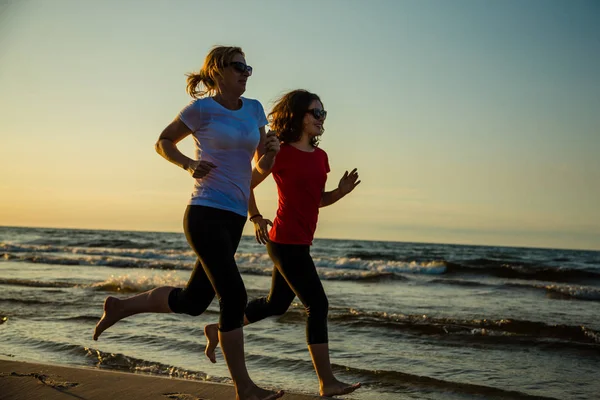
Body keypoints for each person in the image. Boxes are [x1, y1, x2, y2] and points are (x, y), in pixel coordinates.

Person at [92, 45, 284, 400]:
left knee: (195, 301)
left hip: (234, 217)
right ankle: (245, 388)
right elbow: (162, 141)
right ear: (217, 71)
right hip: (204, 212)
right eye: (239, 66)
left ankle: (121, 307)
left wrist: (270, 154)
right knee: (235, 294)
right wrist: (187, 164)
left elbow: (260, 169)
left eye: (248, 67)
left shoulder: (255, 109)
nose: (246, 72)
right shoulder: (201, 109)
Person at [203, 89, 362, 397]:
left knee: (276, 304)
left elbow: (316, 200)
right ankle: (326, 382)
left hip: (301, 241)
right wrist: (256, 216)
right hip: (284, 240)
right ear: (297, 115)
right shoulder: (281, 153)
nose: (320, 119)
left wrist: (340, 192)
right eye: (315, 113)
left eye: (323, 114)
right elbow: (245, 183)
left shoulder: (321, 157)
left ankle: (218, 329)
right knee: (318, 304)